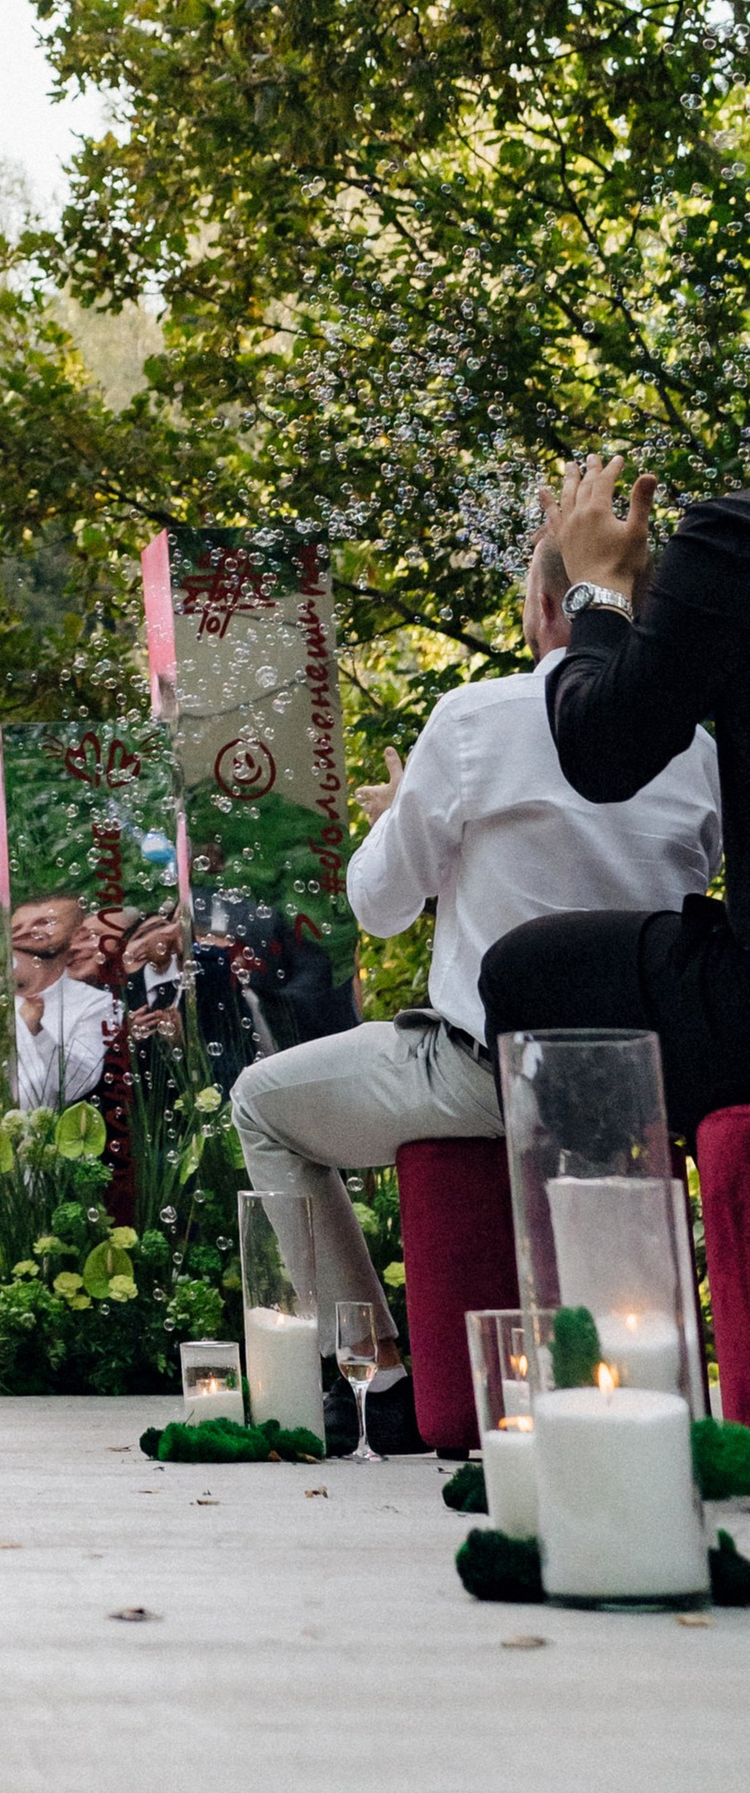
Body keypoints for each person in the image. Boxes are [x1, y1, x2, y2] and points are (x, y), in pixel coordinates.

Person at [237, 511, 718, 1426]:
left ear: (542, 605)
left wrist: (394, 822)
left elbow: (377, 907)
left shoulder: (474, 720)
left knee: (262, 1102)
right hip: (645, 1079)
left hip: (485, 1073)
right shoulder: (697, 751)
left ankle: (371, 1379)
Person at [488, 458, 750, 1130]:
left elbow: (603, 751)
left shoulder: (732, 537)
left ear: (542, 608)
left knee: (527, 971)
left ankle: (600, 1232)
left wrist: (599, 592)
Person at [9, 891, 119, 1110]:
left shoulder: (96, 1003)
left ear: (78, 934)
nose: (27, 932)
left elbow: (76, 1084)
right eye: (16, 929)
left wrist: (38, 1032)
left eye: (46, 922)